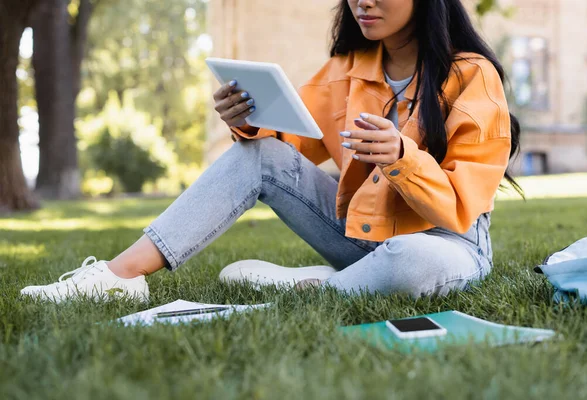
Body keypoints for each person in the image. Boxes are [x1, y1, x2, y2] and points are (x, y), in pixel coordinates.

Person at [21, 0, 522, 302]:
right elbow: (285, 145)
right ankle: (118, 275)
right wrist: (248, 122)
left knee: (412, 260)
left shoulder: (472, 75)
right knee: (256, 156)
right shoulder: (347, 69)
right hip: (359, 235)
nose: (362, 2)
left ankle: (316, 287)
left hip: (447, 244)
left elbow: (461, 207)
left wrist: (402, 158)